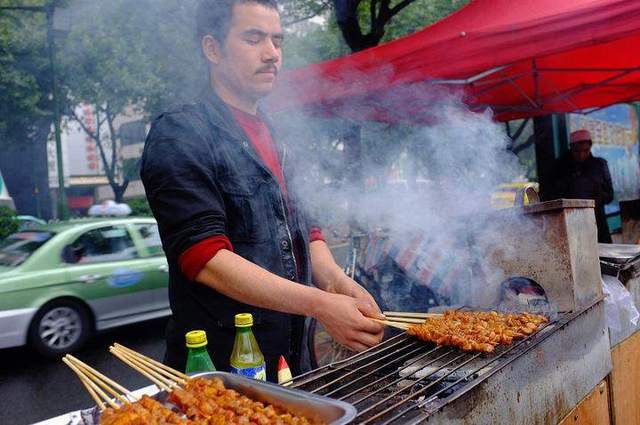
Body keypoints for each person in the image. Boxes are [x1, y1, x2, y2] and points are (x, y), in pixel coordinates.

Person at [140, 0, 384, 381]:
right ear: (213, 49)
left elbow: (309, 231)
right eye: (253, 39)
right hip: (222, 375)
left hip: (293, 367)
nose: (272, 54)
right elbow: (206, 259)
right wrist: (321, 304)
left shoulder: (281, 135)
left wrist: (338, 284)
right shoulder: (180, 134)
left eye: (277, 41)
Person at [548, 129, 614, 243]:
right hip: (571, 223)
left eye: (585, 150)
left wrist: (596, 199)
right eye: (577, 151)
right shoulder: (560, 167)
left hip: (597, 222)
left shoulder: (600, 165)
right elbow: (553, 195)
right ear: (571, 148)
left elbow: (610, 195)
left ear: (590, 146)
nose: (581, 154)